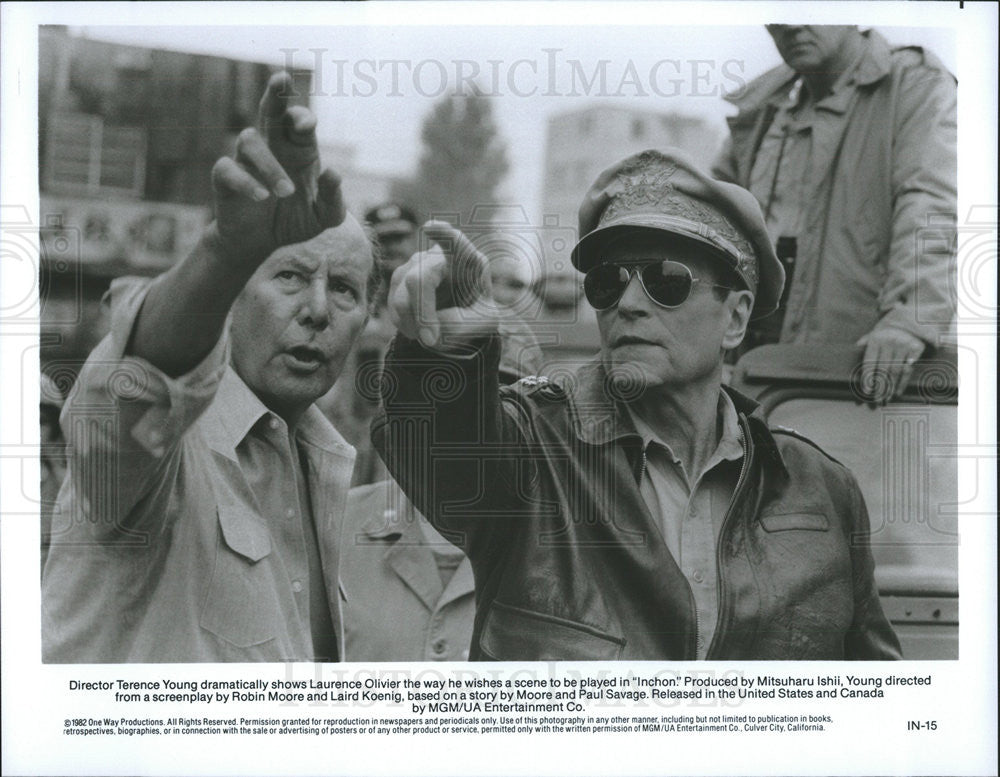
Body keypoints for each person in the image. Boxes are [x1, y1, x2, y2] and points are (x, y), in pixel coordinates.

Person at [373, 148, 902, 661]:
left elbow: (877, 709)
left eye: (665, 280)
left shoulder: (824, 491)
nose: (627, 303)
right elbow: (441, 446)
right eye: (607, 282)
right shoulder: (533, 453)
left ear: (736, 318)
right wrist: (443, 357)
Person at [42, 72, 379, 663]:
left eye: (345, 289)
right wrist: (227, 249)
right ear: (233, 293)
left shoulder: (324, 462)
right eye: (290, 276)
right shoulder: (162, 448)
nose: (319, 310)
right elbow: (142, 379)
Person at [713, 25, 957, 401]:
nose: (791, 24)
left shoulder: (913, 84)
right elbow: (709, 220)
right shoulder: (763, 109)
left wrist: (909, 319)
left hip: (851, 384)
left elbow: (929, 203)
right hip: (754, 367)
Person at [340, 324, 542, 662]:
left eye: (495, 400)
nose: (467, 420)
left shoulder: (558, 553)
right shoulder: (339, 524)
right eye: (447, 389)